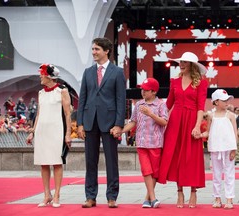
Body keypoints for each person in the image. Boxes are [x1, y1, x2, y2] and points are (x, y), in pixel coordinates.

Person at [77, 37, 126, 208]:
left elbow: (121, 100)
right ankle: (90, 197)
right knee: (90, 161)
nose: (93, 52)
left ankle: (112, 196)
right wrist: (80, 123)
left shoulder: (118, 72)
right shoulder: (88, 72)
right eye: (92, 49)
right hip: (90, 122)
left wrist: (119, 124)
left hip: (110, 122)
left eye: (96, 49)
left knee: (111, 161)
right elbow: (82, 99)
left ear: (106, 51)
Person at [158, 52, 208, 208]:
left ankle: (193, 192)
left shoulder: (201, 83)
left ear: (192, 65)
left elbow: (201, 107)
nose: (181, 64)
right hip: (175, 122)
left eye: (185, 62)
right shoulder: (174, 82)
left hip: (192, 120)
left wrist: (197, 125)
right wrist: (155, 117)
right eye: (180, 61)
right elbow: (168, 105)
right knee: (176, 155)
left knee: (192, 157)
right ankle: (179, 192)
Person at [26, 63, 72, 208]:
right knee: (44, 163)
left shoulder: (62, 91)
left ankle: (57, 194)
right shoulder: (41, 93)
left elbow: (67, 113)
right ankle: (47, 195)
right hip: (42, 132)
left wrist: (68, 134)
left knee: (57, 163)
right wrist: (33, 132)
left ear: (49, 76)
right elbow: (39, 114)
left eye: (42, 73)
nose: (40, 76)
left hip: (57, 130)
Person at [121, 78, 168, 208]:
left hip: (156, 143)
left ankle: (147, 199)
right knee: (146, 171)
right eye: (142, 89)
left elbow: (164, 122)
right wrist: (121, 131)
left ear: (154, 92)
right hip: (141, 143)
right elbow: (133, 122)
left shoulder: (160, 105)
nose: (143, 92)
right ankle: (153, 198)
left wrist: (151, 114)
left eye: (146, 90)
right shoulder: (138, 104)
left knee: (154, 172)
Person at [202, 89, 237, 209]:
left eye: (228, 100)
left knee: (229, 173)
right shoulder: (211, 116)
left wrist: (234, 149)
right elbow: (208, 131)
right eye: (224, 100)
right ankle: (217, 198)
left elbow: (234, 133)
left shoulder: (231, 115)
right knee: (216, 174)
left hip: (228, 148)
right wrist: (200, 135)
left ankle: (229, 199)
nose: (227, 102)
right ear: (216, 102)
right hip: (215, 148)